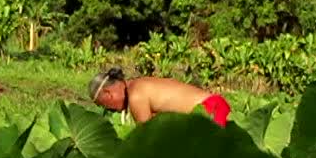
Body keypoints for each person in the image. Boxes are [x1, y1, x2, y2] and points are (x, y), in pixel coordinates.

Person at [88, 66, 232, 127]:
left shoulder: (135, 96)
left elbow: (149, 138)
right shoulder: (137, 84)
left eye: (103, 105)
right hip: (214, 106)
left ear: (108, 93)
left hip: (210, 111)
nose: (109, 110)